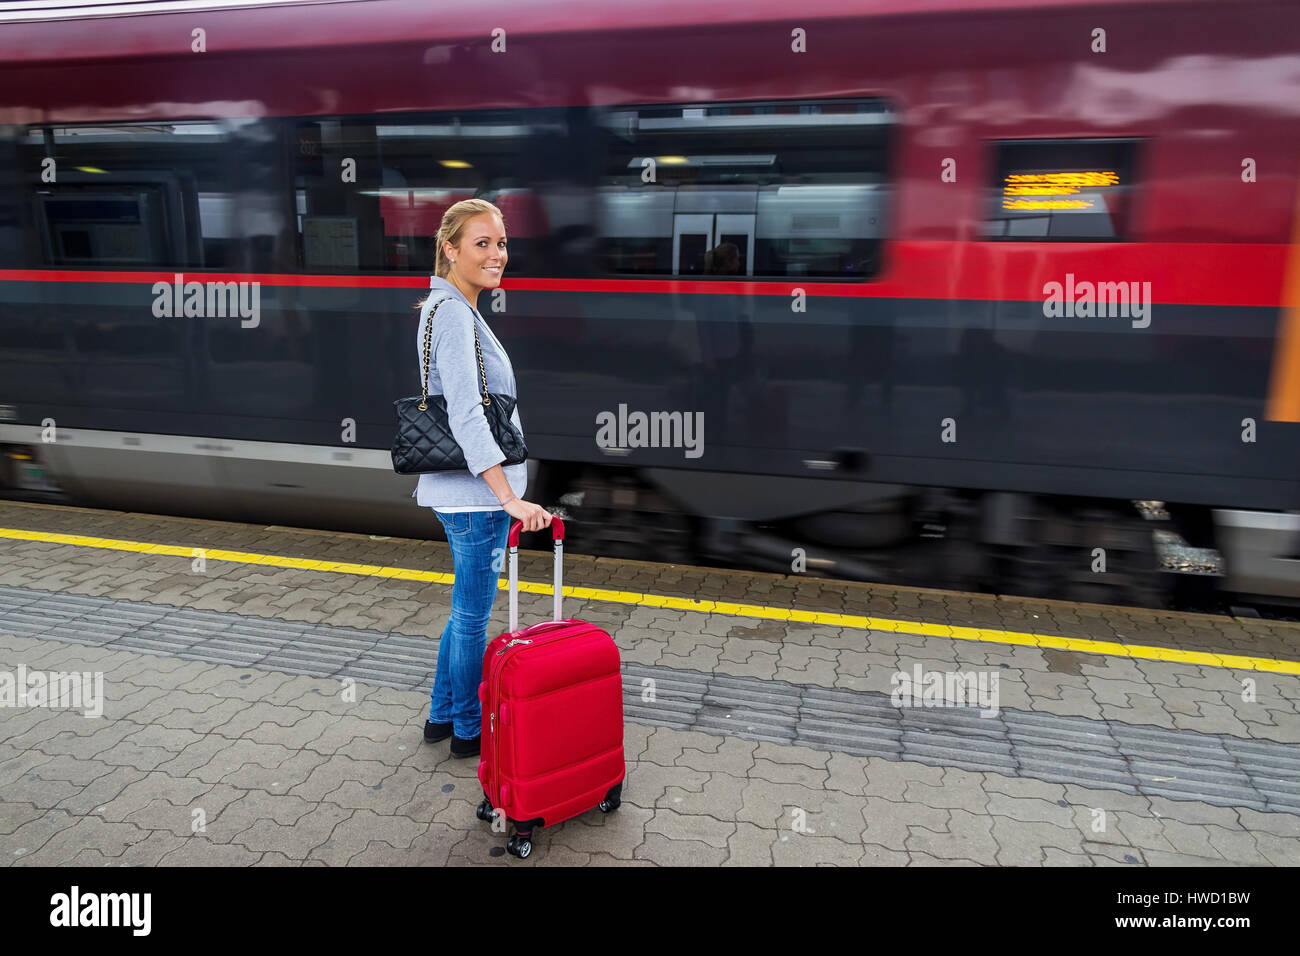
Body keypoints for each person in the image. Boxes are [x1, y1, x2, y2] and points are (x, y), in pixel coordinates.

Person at [411, 198, 552, 757]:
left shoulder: (449, 306)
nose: (498, 255)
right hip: (474, 497)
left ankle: (442, 715)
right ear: (450, 248)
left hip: (464, 492)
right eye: (482, 244)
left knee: (464, 611)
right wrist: (509, 497)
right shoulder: (451, 313)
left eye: (502, 243)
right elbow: (468, 414)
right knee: (473, 617)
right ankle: (470, 730)